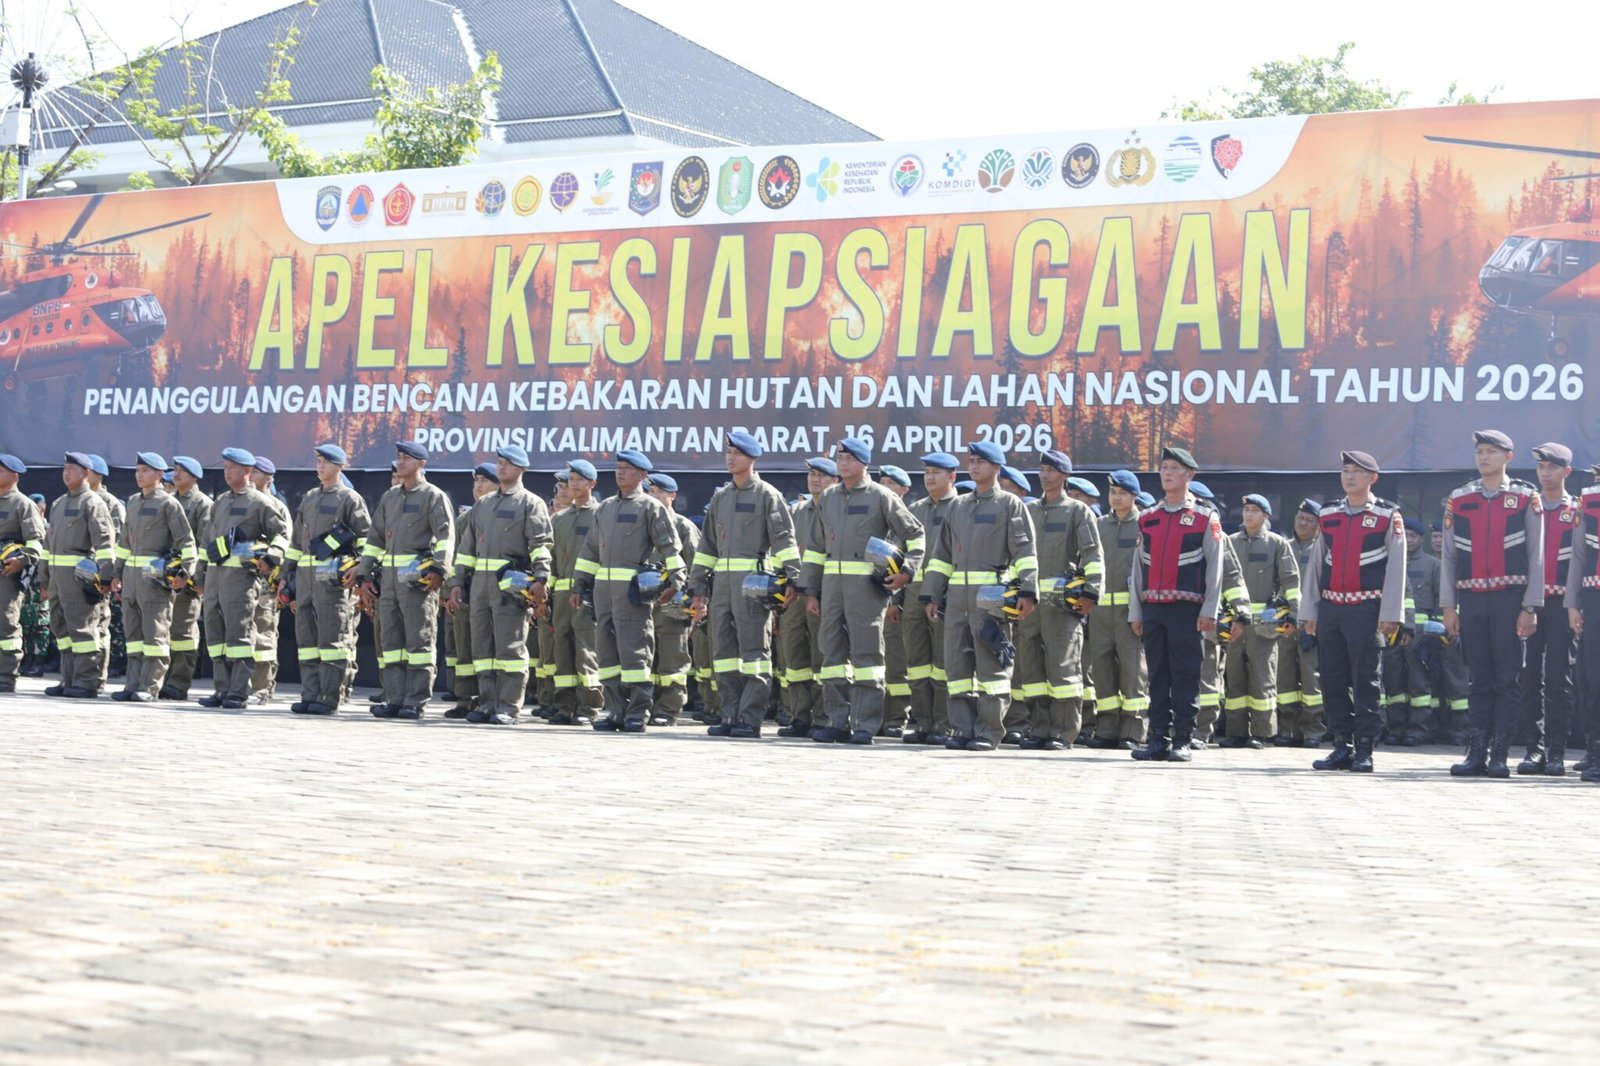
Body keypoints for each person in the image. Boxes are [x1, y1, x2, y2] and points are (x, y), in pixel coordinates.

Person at [800, 437, 924, 745]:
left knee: (868, 658)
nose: (843, 463)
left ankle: (866, 724)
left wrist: (907, 571)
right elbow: (816, 549)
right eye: (840, 458)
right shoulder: (827, 498)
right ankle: (836, 721)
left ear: (863, 463)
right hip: (831, 592)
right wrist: (811, 591)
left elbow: (916, 534)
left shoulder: (881, 496)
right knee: (831, 656)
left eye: (849, 459)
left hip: (866, 593)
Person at [919, 440, 1035, 751]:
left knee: (992, 669)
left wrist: (1028, 591)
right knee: (956, 666)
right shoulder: (957, 506)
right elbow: (940, 556)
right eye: (971, 461)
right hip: (957, 601)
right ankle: (961, 729)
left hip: (991, 601)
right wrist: (931, 594)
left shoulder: (1010, 505)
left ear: (996, 468)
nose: (974, 466)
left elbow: (1025, 553)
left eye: (980, 462)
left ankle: (988, 731)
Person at [1442, 430, 1543, 778]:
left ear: (1508, 457)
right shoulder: (1460, 498)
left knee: (1507, 678)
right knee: (1479, 678)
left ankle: (1500, 752)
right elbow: (1450, 558)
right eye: (1480, 451)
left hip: (1510, 598)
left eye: (1491, 452)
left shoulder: (1525, 497)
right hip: (1471, 599)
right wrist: (1448, 606)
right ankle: (1476, 752)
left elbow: (1536, 556)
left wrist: (1530, 606)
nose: (1484, 457)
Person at [1300, 451, 1407, 773]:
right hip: (1332, 607)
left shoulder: (1389, 516)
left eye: (1357, 472)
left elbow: (1397, 567)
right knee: (1331, 679)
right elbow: (1317, 565)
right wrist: (1310, 611)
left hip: (1368, 608)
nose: (1349, 477)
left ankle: (1365, 749)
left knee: (1365, 680)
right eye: (1345, 471)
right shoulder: (1329, 514)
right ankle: (1340, 745)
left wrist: (1391, 613)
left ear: (1372, 478)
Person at [691, 432, 799, 739]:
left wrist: (793, 578)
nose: (730, 458)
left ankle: (750, 718)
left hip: (753, 586)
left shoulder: (767, 495)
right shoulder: (721, 498)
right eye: (728, 452)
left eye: (737, 453)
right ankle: (729, 714)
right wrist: (698, 587)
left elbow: (785, 541)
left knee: (754, 654)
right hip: (721, 590)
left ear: (751, 458)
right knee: (723, 654)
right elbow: (707, 547)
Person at [1128, 447, 1227, 763]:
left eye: (1174, 468)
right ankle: (1157, 739)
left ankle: (1183, 739)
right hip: (1154, 608)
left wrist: (1210, 609)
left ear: (1189, 475)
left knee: (1185, 675)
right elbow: (1136, 569)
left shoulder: (1204, 517)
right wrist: (1136, 611)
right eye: (1164, 467)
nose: (1167, 473)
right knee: (1157, 675)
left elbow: (1215, 566)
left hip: (1188, 610)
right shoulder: (1148, 518)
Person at [574, 450, 683, 733]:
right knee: (607, 654)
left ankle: (638, 711)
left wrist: (676, 582)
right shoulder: (605, 508)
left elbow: (670, 547)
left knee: (635, 651)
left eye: (627, 469)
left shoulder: (651, 507)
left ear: (643, 475)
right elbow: (590, 549)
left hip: (632, 594)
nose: (620, 472)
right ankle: (616, 711)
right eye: (618, 467)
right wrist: (579, 582)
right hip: (603, 594)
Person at [446, 446, 551, 726]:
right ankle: (486, 702)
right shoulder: (484, 504)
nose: (502, 467)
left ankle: (508, 706)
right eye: (500, 462)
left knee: (510, 646)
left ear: (522, 470)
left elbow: (540, 544)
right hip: (479, 586)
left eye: (508, 463)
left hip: (510, 586)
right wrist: (458, 582)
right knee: (482, 647)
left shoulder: (531, 503)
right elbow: (466, 549)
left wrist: (541, 578)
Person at [1013, 449, 1101, 751]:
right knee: (1032, 669)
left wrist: (1091, 593)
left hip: (1064, 607)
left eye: (1051, 470)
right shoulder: (1029, 511)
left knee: (1063, 670)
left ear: (1064, 476)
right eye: (1041, 469)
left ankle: (1064, 732)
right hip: (1029, 605)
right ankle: (1038, 728)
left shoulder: (1078, 511)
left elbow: (1092, 555)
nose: (1045, 475)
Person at [359, 442, 455, 719]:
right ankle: (394, 697)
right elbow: (374, 539)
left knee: (419, 642)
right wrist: (365, 575)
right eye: (398, 457)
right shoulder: (390, 497)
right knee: (391, 644)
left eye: (406, 458)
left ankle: (415, 700)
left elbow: (446, 537)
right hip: (387, 584)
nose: (400, 463)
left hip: (417, 584)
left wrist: (439, 570)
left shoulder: (433, 497)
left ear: (421, 463)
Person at [193, 447, 289, 709]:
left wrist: (271, 558)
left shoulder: (261, 503)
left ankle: (239, 691)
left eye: (232, 468)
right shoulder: (220, 502)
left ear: (247, 471)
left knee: (240, 634)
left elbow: (281, 534)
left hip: (241, 580)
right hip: (215, 578)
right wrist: (199, 570)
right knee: (215, 635)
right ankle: (221, 689)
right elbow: (207, 540)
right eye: (224, 467)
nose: (226, 472)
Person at [283, 444, 371, 717]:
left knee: (332, 640)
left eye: (326, 462)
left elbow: (366, 540)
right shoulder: (309, 498)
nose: (320, 466)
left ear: (340, 467)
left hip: (332, 583)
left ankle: (329, 696)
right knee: (307, 641)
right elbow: (297, 543)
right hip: (306, 582)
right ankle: (310, 694)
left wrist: (357, 568)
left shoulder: (350, 499)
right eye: (319, 461)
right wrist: (287, 576)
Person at [110, 451, 195, 703]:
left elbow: (187, 543)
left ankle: (150, 686)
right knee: (134, 637)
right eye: (137, 470)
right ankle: (132, 683)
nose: (139, 475)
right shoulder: (133, 502)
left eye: (145, 471)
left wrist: (184, 574)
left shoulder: (169, 504)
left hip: (156, 582)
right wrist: (117, 573)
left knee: (155, 635)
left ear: (160, 475)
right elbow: (124, 544)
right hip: (132, 581)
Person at [1516, 443, 1579, 775]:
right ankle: (1533, 748)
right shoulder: (1528, 508)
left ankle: (1556, 751)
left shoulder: (1577, 510)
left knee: (1559, 678)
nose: (1545, 473)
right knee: (1529, 677)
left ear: (1566, 472)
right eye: (1541, 467)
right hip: (1529, 604)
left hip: (1562, 605)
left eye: (1552, 467)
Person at [1220, 495, 1298, 748]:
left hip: (1265, 626)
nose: (1249, 515)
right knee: (1235, 676)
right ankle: (1236, 731)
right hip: (1235, 623)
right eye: (1246, 510)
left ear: (1266, 515)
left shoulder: (1278, 544)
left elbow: (1291, 582)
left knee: (1263, 678)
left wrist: (1292, 614)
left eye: (1255, 510)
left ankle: (1262, 733)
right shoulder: (1229, 543)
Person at [40, 453, 117, 699]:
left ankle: (86, 681)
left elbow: (105, 543)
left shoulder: (93, 503)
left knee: (83, 630)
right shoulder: (59, 503)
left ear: (85, 473)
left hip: (79, 580)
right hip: (56, 580)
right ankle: (69, 679)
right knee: (61, 629)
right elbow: (47, 545)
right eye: (64, 468)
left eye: (71, 469)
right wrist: (44, 578)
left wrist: (105, 578)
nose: (65, 473)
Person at [902, 452, 963, 744]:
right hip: (914, 593)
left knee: (943, 662)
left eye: (936, 472)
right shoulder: (914, 509)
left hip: (947, 594)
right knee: (916, 661)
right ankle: (923, 722)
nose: (929, 477)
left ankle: (944, 724)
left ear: (952, 477)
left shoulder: (962, 508)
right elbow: (901, 553)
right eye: (927, 471)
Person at [1087, 470, 1149, 749]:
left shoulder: (1145, 525)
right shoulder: (1099, 525)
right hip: (1100, 612)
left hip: (1130, 612)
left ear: (1134, 496)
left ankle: (1134, 731)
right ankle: (1107, 728)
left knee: (1133, 671)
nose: (1116, 497)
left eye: (1122, 493)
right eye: (1113, 492)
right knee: (1102, 670)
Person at [776, 457, 837, 737]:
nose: (815, 479)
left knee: (822, 656)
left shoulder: (836, 509)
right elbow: (784, 549)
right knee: (794, 655)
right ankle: (799, 715)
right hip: (794, 594)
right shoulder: (797, 511)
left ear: (835, 481)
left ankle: (824, 716)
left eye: (822, 475)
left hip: (825, 594)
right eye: (812, 474)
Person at [549, 460, 603, 726]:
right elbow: (551, 562)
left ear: (592, 484)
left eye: (579, 479)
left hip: (588, 596)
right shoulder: (559, 519)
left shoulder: (600, 515)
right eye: (570, 479)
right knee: (562, 650)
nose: (573, 484)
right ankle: (563, 706)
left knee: (586, 651)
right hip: (561, 598)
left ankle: (589, 707)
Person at [444, 464, 498, 718]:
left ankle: (491, 699)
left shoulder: (498, 514)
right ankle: (466, 698)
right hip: (464, 593)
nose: (478, 486)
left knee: (490, 648)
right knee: (463, 647)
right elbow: (455, 557)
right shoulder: (464, 518)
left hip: (489, 592)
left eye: (484, 481)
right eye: (476, 481)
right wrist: (451, 588)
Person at [646, 472, 700, 726]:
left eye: (659, 492)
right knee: (647, 657)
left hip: (674, 602)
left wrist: (693, 604)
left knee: (672, 657)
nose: (653, 496)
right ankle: (647, 705)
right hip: (645, 602)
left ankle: (668, 710)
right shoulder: (643, 522)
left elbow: (696, 568)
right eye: (650, 491)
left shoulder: (684, 527)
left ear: (672, 496)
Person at [1384, 517, 1441, 745]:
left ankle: (1418, 729)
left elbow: (1440, 599)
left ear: (1421, 539)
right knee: (1394, 682)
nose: (1408, 540)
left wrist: (1436, 633)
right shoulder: (1390, 562)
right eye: (1405, 535)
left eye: (1413, 536)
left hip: (1421, 636)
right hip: (1392, 633)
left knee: (1419, 683)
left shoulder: (1432, 565)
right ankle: (1396, 728)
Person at [160, 457, 213, 700]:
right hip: (166, 577)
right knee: (165, 631)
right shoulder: (170, 502)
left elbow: (204, 545)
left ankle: (179, 683)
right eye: (175, 471)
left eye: (182, 471)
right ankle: (164, 679)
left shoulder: (202, 504)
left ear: (194, 476)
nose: (176, 475)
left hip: (188, 579)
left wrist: (195, 577)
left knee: (183, 632)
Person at [247, 456, 294, 704]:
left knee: (264, 633)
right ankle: (242, 685)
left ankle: (261, 687)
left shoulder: (276, 506)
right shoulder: (244, 503)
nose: (249, 476)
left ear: (268, 478)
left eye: (255, 472)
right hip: (243, 579)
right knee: (243, 633)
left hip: (267, 581)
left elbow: (286, 544)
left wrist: (280, 578)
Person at [0, 454, 47, 694]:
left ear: (14, 476)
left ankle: (6, 676)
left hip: (7, 574)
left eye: (0, 470)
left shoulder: (23, 504)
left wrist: (22, 561)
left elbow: (36, 541)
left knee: (6, 623)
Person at [877, 464, 914, 735]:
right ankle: (877, 715)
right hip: (873, 600)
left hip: (898, 602)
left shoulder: (906, 520)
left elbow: (905, 565)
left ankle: (896, 717)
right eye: (882, 481)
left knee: (898, 661)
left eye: (891, 483)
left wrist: (895, 600)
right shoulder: (877, 519)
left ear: (904, 490)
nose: (885, 487)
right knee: (880, 659)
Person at [84, 454, 124, 687]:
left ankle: (98, 676)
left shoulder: (110, 504)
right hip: (78, 573)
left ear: (97, 475)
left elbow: (116, 542)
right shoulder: (74, 500)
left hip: (99, 572)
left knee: (99, 623)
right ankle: (76, 674)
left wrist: (109, 575)